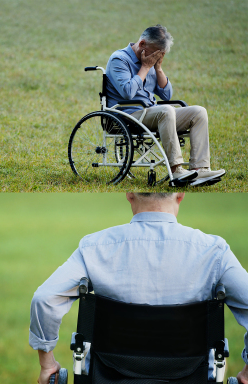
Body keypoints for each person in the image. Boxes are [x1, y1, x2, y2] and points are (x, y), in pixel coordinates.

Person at [29, 193, 248, 384]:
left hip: (106, 377)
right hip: (193, 376)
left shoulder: (95, 247)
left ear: (130, 194)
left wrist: (47, 365)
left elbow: (45, 298)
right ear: (180, 195)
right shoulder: (214, 251)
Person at [105, 25, 226, 186]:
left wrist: (158, 68)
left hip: (152, 113)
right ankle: (176, 170)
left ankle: (200, 169)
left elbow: (167, 95)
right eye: (154, 54)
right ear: (142, 44)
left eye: (159, 56)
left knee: (198, 112)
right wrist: (145, 68)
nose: (155, 58)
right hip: (128, 115)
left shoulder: (150, 61)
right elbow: (128, 92)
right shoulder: (119, 59)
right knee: (166, 110)